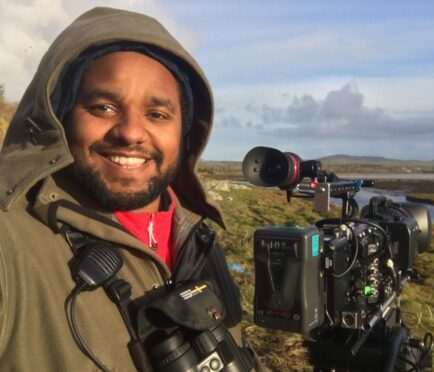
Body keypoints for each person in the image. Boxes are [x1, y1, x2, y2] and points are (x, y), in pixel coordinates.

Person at [0, 7, 256, 371]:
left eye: (157, 114)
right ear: (60, 117)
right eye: (104, 107)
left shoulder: (198, 238)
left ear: (185, 133)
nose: (131, 132)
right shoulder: (10, 245)